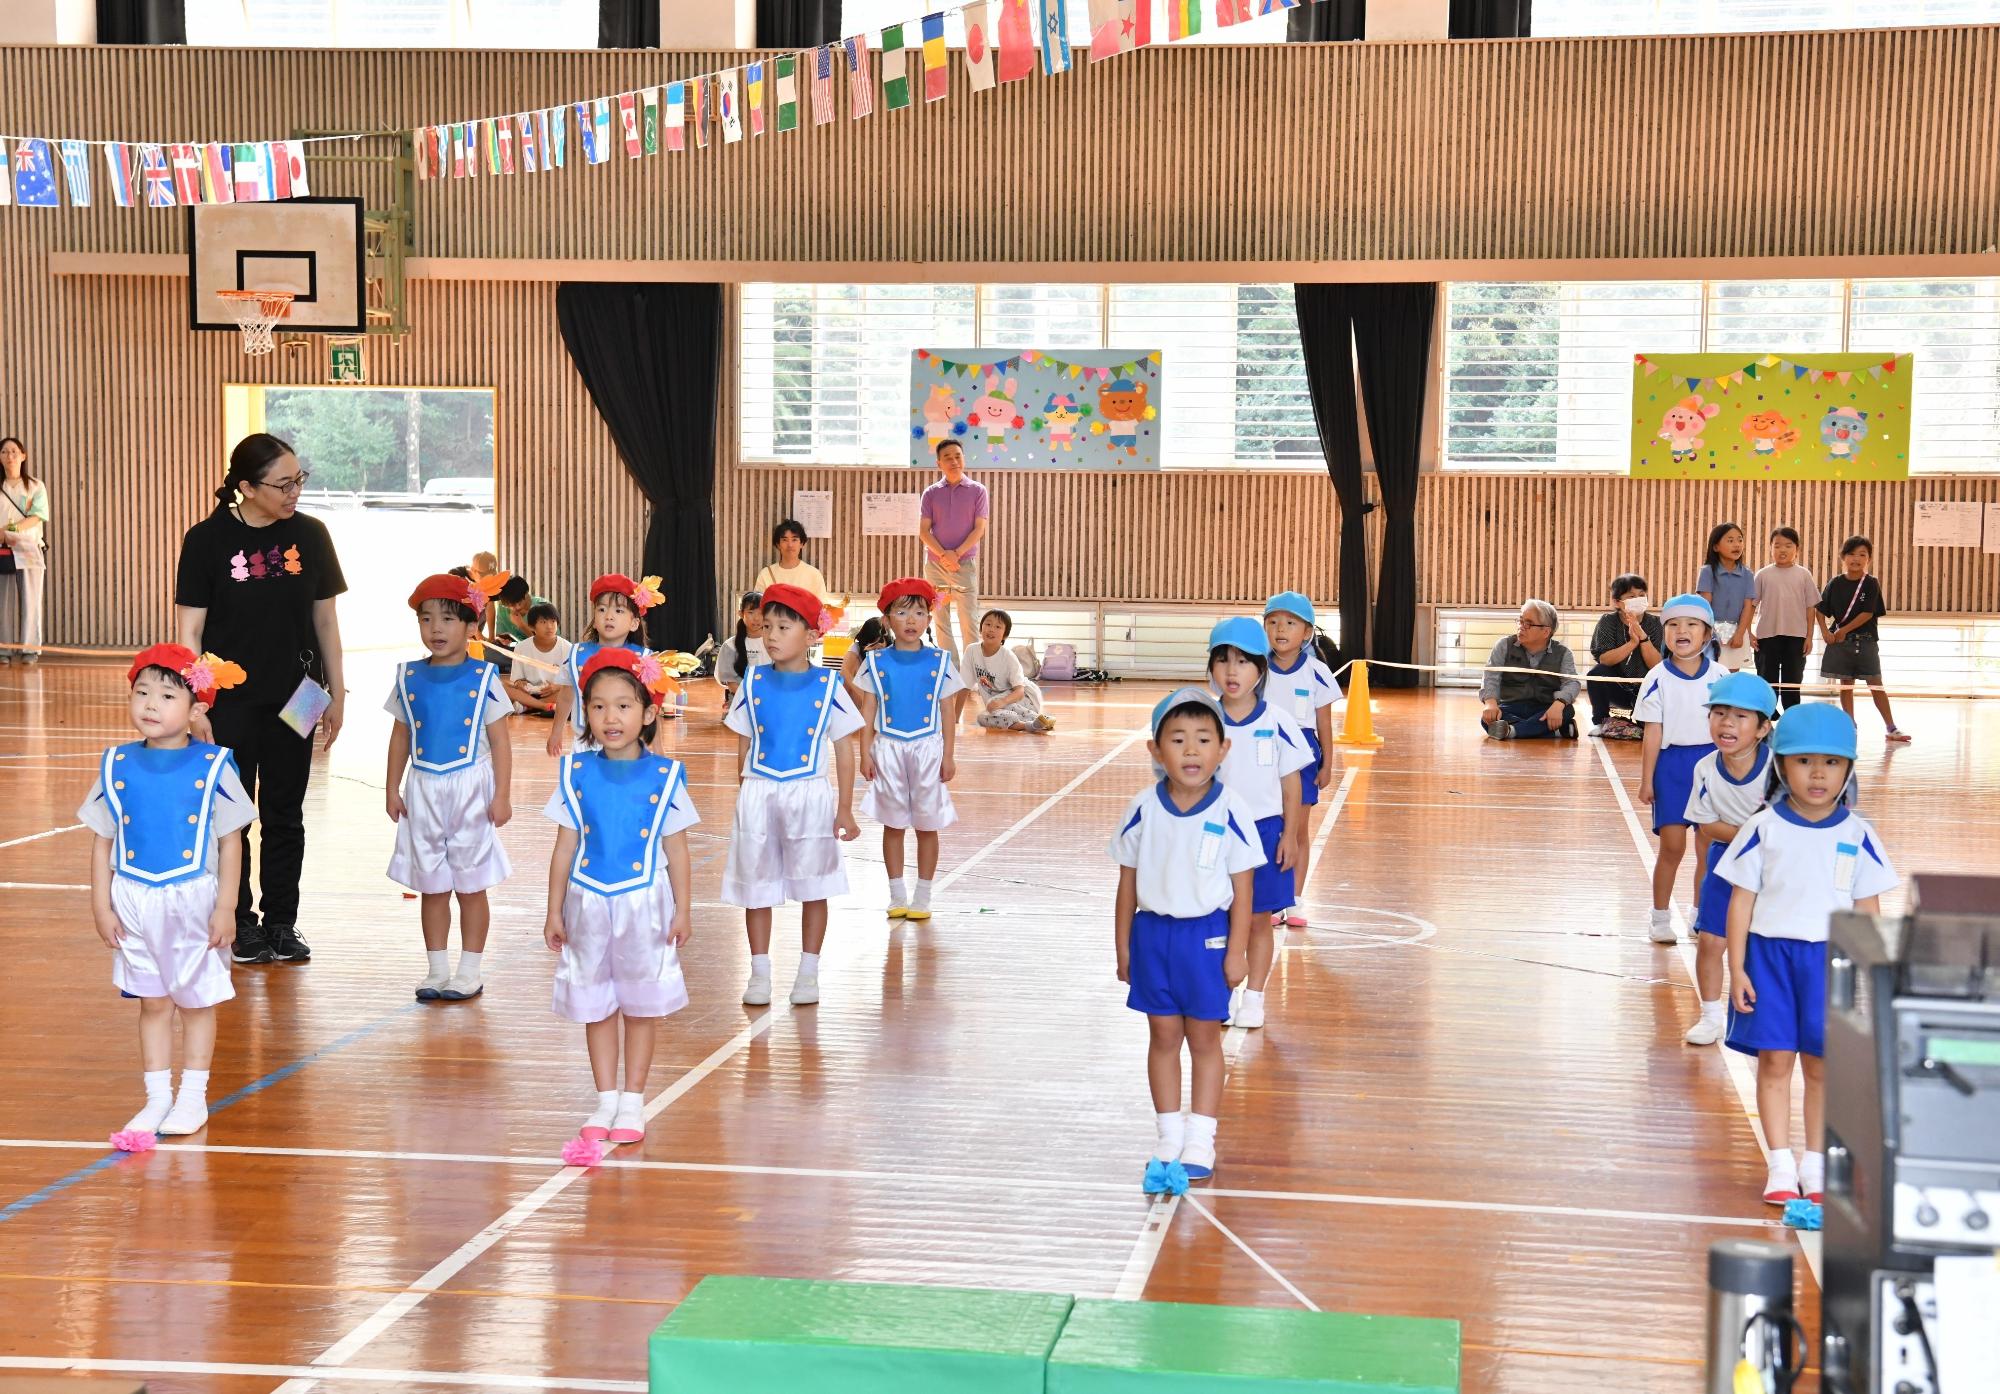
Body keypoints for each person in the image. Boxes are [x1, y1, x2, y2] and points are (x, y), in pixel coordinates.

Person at [175, 433, 346, 967]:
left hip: (301, 696)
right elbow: (189, 629)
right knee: (234, 816)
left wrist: (338, 692)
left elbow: (325, 620)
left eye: (300, 479)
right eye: (283, 483)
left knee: (286, 812)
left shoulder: (312, 535)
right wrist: (196, 704)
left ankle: (281, 924)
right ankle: (240, 921)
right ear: (246, 487)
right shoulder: (206, 540)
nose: (295, 491)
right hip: (229, 702)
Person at [1717, 703, 1897, 1205]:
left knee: (1821, 1065)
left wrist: (1870, 973)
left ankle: (1816, 1164)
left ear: (1849, 769)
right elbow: (1741, 901)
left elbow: (1869, 908)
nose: (1818, 774)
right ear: (1781, 766)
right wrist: (1737, 966)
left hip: (1831, 964)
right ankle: (1780, 1163)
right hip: (1769, 960)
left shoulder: (1858, 835)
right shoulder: (1763, 828)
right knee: (1775, 1061)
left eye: (1832, 762)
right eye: (1803, 761)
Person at [83, 645, 254, 1144]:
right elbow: (102, 841)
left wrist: (226, 907)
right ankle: (157, 1096)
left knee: (197, 1001)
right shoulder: (116, 764)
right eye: (141, 692)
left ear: (198, 707)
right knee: (153, 1003)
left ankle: (193, 1095)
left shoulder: (215, 765)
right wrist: (101, 904)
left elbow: (231, 840)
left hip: (194, 901)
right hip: (134, 899)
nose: (150, 704)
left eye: (166, 694)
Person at [542, 648, 696, 1146]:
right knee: (597, 1003)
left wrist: (684, 909)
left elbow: (677, 849)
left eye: (625, 705)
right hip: (587, 904)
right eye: (600, 706)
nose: (612, 717)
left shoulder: (665, 776)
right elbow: (565, 846)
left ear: (649, 713)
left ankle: (633, 1099)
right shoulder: (575, 772)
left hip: (644, 906)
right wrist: (554, 909)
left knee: (641, 1004)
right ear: (586, 712)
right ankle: (605, 1097)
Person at [1111, 687, 1261, 1191]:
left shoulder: (1232, 809)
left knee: (1203, 1040)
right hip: (1154, 937)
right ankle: (1167, 1133)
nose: (1191, 751)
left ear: (1223, 749)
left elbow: (1244, 890)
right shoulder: (1142, 808)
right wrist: (1124, 945)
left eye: (1203, 739)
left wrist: (1237, 950)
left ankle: (1202, 1136)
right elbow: (1127, 883)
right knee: (1162, 1038)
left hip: (1207, 940)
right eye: (1177, 739)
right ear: (1156, 750)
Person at [721, 583, 863, 1008]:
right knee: (756, 887)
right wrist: (743, 790)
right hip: (760, 792)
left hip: (809, 794)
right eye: (767, 626)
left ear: (812, 634)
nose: (772, 635)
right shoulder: (752, 680)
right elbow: (743, 741)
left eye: (784, 626)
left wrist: (844, 808)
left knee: (814, 886)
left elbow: (844, 749)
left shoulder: (828, 685)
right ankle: (759, 971)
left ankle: (808, 971)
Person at [385, 575, 515, 1003]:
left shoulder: (484, 677)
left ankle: (469, 970)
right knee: (432, 885)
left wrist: (501, 795)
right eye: (426, 619)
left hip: (471, 789)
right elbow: (401, 736)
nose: (435, 629)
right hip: (423, 788)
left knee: (470, 884)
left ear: (472, 626)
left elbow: (499, 741)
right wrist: (392, 787)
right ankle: (437, 968)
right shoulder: (408, 677)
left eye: (446, 619)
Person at [1207, 617, 1310, 1030]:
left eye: (1244, 662)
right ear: (1211, 668)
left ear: (1260, 670)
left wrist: (1289, 835)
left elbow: (1291, 785)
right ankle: (1222, 993)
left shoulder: (1278, 721)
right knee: (1217, 918)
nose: (1232, 672)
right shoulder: (1203, 719)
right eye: (1223, 661)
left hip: (1266, 833)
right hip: (1215, 835)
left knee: (1256, 920)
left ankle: (1254, 997)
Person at [853, 578, 967, 922]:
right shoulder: (875, 662)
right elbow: (868, 710)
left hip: (928, 749)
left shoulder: (939, 661)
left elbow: (948, 710)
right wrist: (865, 752)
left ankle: (923, 895)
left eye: (919, 612)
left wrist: (948, 754)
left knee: (927, 825)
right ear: (887, 619)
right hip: (887, 748)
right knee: (893, 825)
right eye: (902, 612)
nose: (912, 620)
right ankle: (896, 894)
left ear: (929, 620)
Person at [1680, 672, 1777, 1047]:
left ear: (1763, 728)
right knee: (1710, 942)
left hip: (1774, 869)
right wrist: (1750, 836)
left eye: (1740, 716)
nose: (1726, 723)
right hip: (1726, 863)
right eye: (1719, 713)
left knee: (1763, 945)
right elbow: (1706, 825)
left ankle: (1762, 1014)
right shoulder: (1704, 769)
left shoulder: (1779, 768)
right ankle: (1710, 1016)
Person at [1635, 594, 1724, 945]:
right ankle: (1659, 916)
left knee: (1707, 847)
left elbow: (1729, 726)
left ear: (1707, 634)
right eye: (1673, 624)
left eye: (1691, 624)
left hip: (1711, 766)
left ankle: (1700, 913)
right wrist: (1647, 779)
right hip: (1671, 768)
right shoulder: (1657, 678)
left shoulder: (1720, 676)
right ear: (1664, 633)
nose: (1681, 630)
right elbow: (1652, 732)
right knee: (1672, 848)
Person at [1261, 593, 1336, 927]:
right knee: (1272, 828)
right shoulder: (1256, 668)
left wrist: (1329, 763)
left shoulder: (1317, 672)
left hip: (1303, 756)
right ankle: (1274, 899)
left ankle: (1294, 900)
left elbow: (1324, 723)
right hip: (1263, 754)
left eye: (1291, 623)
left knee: (1298, 830)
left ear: (1306, 632)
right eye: (1274, 621)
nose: (1281, 629)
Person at [547, 573, 659, 757]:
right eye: (601, 609)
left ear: (634, 623)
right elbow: (566, 696)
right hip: (586, 744)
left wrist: (657, 746)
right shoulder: (576, 655)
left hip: (628, 744)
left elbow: (653, 707)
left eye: (619, 611)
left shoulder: (644, 660)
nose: (609, 616)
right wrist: (556, 732)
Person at [1816, 535, 1909, 743]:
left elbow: (1867, 613)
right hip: (1841, 643)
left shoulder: (1870, 583)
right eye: (1851, 554)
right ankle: (1850, 725)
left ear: (1869, 559)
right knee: (1846, 684)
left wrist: (1843, 630)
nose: (1856, 559)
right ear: (1842, 557)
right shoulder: (1835, 583)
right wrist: (1825, 632)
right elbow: (1820, 610)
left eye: (1862, 555)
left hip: (1865, 641)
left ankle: (1891, 728)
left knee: (1875, 683)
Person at [917, 440, 989, 657]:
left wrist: (955, 554)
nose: (954, 461)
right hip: (935, 565)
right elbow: (923, 531)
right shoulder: (930, 493)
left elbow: (979, 529)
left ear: (963, 459)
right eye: (947, 457)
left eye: (958, 455)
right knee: (941, 620)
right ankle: (950, 667)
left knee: (969, 619)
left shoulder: (978, 491)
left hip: (964, 564)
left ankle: (971, 671)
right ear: (939, 463)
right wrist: (944, 555)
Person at [1478, 600, 1580, 740]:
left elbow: (1572, 683)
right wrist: (1490, 703)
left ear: (1545, 631)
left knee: (1567, 710)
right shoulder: (1503, 645)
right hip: (1511, 707)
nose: (1521, 626)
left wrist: (1559, 703)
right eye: (1520, 621)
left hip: (1544, 709)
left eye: (1528, 623)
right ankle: (1555, 731)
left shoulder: (1564, 653)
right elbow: (1491, 676)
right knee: (1487, 719)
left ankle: (1511, 731)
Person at [1585, 575, 1662, 739]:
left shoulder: (1656, 623)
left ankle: (1640, 720)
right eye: (1631, 596)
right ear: (1617, 602)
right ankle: (1601, 722)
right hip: (1618, 687)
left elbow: (1657, 664)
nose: (1638, 599)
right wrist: (1631, 644)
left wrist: (1642, 637)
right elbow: (1604, 659)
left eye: (1642, 595)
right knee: (1596, 673)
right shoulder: (1608, 622)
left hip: (1646, 689)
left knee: (1646, 728)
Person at [1753, 527, 1817, 711]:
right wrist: (1748, 633)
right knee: (1767, 679)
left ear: (1797, 549)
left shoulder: (1804, 574)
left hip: (1796, 636)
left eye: (1788, 545)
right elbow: (1751, 605)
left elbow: (1810, 607)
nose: (1783, 550)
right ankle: (1766, 718)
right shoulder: (1763, 574)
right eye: (1777, 545)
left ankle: (1792, 716)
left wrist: (1809, 637)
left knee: (1793, 680)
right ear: (1770, 548)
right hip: (1767, 635)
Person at [0, 436, 49, 665]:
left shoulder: (35, 486)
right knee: (3, 602)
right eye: (4, 452)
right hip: (2, 550)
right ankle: (4, 650)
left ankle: (30, 650)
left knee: (31, 601)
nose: (9, 456)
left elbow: (38, 516)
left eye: (13, 451)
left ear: (23, 456)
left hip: (29, 548)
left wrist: (10, 529)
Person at [962, 609, 1051, 733]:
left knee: (996, 706)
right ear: (980, 628)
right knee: (982, 718)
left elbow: (1020, 691)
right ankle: (1028, 725)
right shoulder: (971, 651)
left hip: (1022, 698)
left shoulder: (1008, 657)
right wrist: (955, 718)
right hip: (996, 706)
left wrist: (1002, 702)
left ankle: (1040, 719)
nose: (991, 629)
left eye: (998, 626)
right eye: (988, 624)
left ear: (1005, 635)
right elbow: (964, 686)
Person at [1696, 522, 1758, 670]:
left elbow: (1747, 607)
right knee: (1709, 673)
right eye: (1730, 540)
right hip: (1711, 631)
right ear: (1716, 547)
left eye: (1740, 540)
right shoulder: (1707, 571)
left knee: (1732, 675)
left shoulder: (1747, 574)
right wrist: (1708, 632)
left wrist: (1740, 634)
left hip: (1737, 631)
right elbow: (1705, 605)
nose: (1737, 545)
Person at [502, 603, 569, 717]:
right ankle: (542, 707)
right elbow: (517, 680)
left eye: (553, 621)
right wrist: (520, 684)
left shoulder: (567, 648)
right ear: (532, 627)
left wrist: (557, 687)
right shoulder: (521, 647)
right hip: (529, 694)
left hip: (553, 693)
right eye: (543, 622)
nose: (549, 626)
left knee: (571, 692)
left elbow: (572, 680)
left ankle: (529, 707)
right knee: (503, 686)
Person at [713, 590, 767, 703]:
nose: (756, 618)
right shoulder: (730, 646)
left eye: (761, 613)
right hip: (740, 702)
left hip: (769, 701)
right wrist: (753, 701)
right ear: (741, 614)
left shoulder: (773, 643)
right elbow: (731, 684)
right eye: (751, 612)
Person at [753, 520, 830, 599]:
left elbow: (822, 608)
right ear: (778, 545)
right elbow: (757, 608)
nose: (790, 545)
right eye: (784, 540)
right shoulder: (765, 574)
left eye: (794, 540)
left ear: (802, 544)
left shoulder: (814, 574)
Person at [838, 615, 890, 708]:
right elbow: (844, 671)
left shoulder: (889, 650)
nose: (877, 647)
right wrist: (864, 697)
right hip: (856, 702)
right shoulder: (857, 649)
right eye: (873, 644)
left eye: (881, 641)